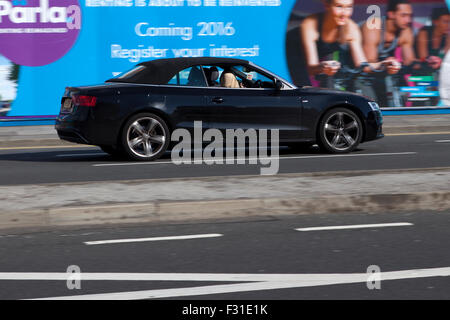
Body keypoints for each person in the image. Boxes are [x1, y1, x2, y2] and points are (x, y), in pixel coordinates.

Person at [299, 0, 399, 89]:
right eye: (339, 6)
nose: (344, 14)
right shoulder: (310, 24)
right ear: (327, 5)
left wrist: (384, 64)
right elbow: (311, 68)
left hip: (322, 66)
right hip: (293, 56)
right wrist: (322, 67)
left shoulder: (351, 28)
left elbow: (362, 66)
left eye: (349, 7)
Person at [360, 0, 418, 106]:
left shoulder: (406, 30)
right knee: (371, 105)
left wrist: (426, 62)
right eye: (404, 15)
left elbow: (409, 62)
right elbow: (368, 65)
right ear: (391, 14)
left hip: (381, 71)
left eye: (410, 15)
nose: (408, 20)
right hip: (359, 71)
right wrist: (387, 63)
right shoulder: (373, 26)